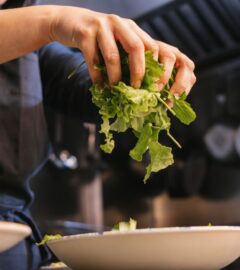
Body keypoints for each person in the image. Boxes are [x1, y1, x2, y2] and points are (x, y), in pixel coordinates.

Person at [0, 0, 196, 269]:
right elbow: (46, 26)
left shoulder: (23, 22)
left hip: (17, 239)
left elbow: (72, 80)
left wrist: (134, 76)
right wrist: (51, 20)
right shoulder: (41, 19)